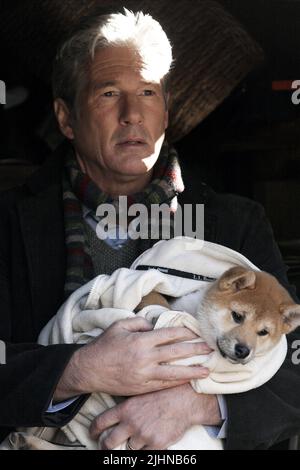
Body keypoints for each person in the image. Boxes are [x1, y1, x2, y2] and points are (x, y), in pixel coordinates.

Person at [0, 7, 300, 450]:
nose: (132, 114)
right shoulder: (8, 222)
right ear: (66, 118)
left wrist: (195, 404)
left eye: (147, 92)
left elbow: (293, 374)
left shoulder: (235, 223)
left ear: (165, 112)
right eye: (107, 93)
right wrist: (79, 369)